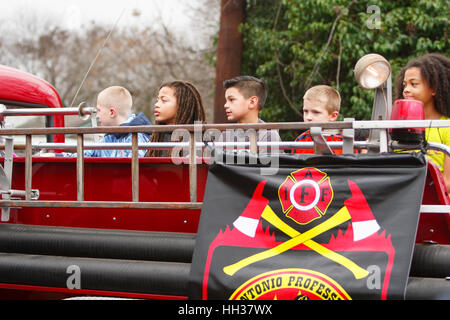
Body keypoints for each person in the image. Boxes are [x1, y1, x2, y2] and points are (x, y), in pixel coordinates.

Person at [394, 53, 450, 191]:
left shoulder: (447, 127)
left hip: (438, 206)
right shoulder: (398, 128)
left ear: (433, 88)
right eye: (405, 84)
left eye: (414, 84)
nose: (406, 90)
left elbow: (448, 182)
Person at [44, 86, 151, 157]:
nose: (97, 115)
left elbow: (139, 168)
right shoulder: (108, 138)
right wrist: (58, 156)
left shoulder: (137, 137)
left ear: (112, 112)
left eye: (99, 110)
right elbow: (86, 154)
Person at [219, 75, 281, 153]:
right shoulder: (225, 135)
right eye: (226, 101)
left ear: (252, 102)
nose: (225, 105)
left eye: (231, 100)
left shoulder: (268, 135)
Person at [146, 80, 206, 157]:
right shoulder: (156, 137)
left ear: (183, 105)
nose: (156, 104)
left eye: (164, 100)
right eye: (157, 100)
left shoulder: (201, 141)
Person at [293, 85, 342, 154]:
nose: (308, 117)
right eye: (306, 111)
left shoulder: (345, 139)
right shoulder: (300, 141)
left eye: (316, 112)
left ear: (333, 116)